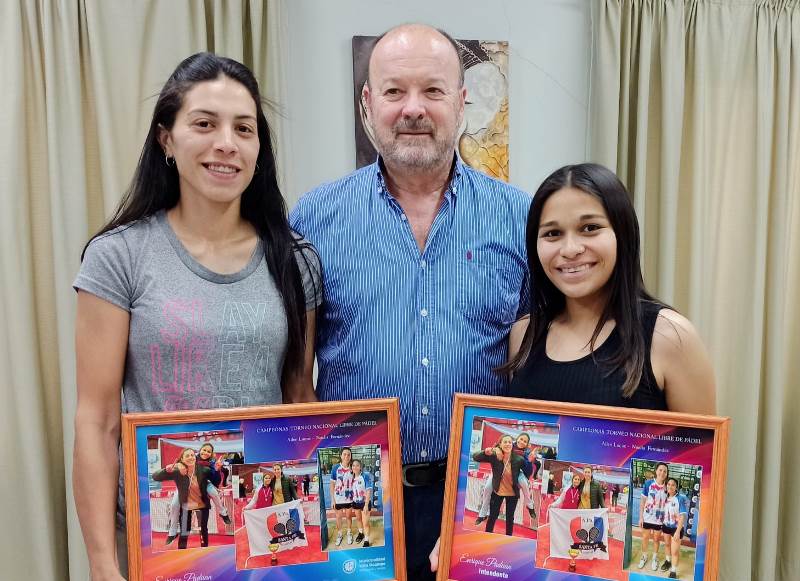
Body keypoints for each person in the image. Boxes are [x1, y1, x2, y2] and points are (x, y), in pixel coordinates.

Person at [290, 24, 530, 578]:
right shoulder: (313, 219)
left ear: (462, 102)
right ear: (367, 104)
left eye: (433, 91)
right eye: (394, 91)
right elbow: (295, 376)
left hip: (476, 497)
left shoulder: (519, 218)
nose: (413, 109)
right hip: (356, 497)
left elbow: (535, 373)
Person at [72, 52, 322, 580]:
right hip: (160, 540)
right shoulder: (119, 256)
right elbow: (97, 422)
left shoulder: (294, 259)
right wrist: (101, 562)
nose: (226, 143)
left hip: (265, 533)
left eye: (244, 129)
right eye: (204, 124)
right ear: (166, 139)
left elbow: (300, 399)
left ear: (258, 148)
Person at [506, 163, 716, 414]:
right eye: (552, 233)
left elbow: (701, 441)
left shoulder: (670, 336)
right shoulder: (524, 333)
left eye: (590, 228)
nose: (570, 249)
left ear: (623, 232)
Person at [164, 442, 231, 544]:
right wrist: (171, 467)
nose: (206, 452)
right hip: (185, 485)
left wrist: (217, 469)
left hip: (204, 484)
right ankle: (172, 532)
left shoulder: (212, 463)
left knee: (214, 493)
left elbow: (215, 480)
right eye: (204, 450)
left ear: (211, 454)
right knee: (174, 505)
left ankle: (223, 513)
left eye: (209, 451)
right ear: (200, 450)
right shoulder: (192, 456)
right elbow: (178, 464)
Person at [152, 449, 213, 550]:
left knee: (203, 530)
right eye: (187, 456)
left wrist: (217, 472)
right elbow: (155, 476)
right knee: (184, 530)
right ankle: (180, 548)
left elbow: (215, 479)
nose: (190, 457)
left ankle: (204, 550)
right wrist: (166, 470)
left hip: (202, 503)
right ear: (182, 459)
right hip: (186, 504)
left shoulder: (204, 470)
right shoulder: (178, 471)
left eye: (192, 455)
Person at [474, 432, 535, 526]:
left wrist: (530, 462)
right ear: (517, 439)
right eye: (521, 439)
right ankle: (482, 514)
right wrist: (496, 449)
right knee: (487, 488)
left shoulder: (526, 452)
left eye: (525, 441)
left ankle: (530, 506)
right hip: (498, 472)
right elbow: (496, 447)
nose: (522, 442)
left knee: (524, 483)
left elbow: (527, 471)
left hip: (516, 473)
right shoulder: (509, 443)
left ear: (527, 444)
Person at [639, 462, 670, 571]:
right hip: (647, 517)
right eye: (660, 470)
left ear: (667, 474)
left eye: (665, 471)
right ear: (656, 471)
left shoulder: (667, 486)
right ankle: (644, 556)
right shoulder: (648, 483)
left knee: (656, 539)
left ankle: (654, 558)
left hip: (659, 520)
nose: (662, 473)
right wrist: (641, 517)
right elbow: (642, 502)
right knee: (645, 538)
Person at [660, 477, 688, 578]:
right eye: (668, 484)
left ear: (676, 487)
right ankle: (668, 561)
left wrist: (677, 531)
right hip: (666, 526)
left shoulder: (680, 498)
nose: (670, 486)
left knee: (675, 551)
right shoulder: (664, 497)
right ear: (666, 486)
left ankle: (673, 571)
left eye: (673, 485)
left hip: (676, 528)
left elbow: (682, 516)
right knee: (667, 545)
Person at [329, 448, 356, 546]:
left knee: (348, 516)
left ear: (350, 456)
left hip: (349, 498)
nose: (346, 456)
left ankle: (349, 533)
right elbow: (332, 485)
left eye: (348, 455)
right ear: (341, 456)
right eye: (344, 454)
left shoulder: (353, 468)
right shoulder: (335, 468)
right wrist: (332, 500)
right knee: (338, 517)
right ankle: (340, 534)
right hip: (338, 499)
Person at [351, 459, 373, 547]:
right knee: (358, 519)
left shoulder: (365, 476)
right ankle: (361, 533)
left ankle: (366, 540)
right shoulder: (350, 477)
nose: (355, 467)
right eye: (353, 465)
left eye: (357, 465)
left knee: (365, 523)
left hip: (365, 503)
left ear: (360, 467)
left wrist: (366, 505)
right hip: (355, 502)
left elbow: (368, 491)